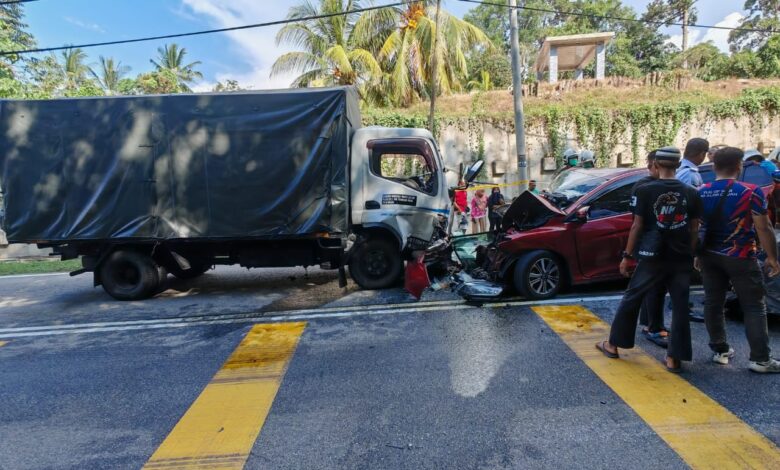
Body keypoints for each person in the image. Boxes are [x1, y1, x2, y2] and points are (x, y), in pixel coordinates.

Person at [596, 147, 702, 372]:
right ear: (677, 165)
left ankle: (613, 344)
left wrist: (627, 255)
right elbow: (694, 228)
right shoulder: (691, 192)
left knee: (632, 297)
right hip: (680, 256)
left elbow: (637, 225)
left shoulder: (645, 190)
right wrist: (692, 254)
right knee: (681, 305)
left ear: (656, 165)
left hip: (652, 255)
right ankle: (674, 358)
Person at [697, 147, 780, 373]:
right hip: (741, 256)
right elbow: (763, 227)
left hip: (709, 256)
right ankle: (760, 359)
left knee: (713, 303)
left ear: (714, 166)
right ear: (738, 166)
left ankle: (720, 350)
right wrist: (772, 257)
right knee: (754, 306)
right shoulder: (751, 191)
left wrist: (697, 255)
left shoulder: (700, 191)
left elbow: (695, 227)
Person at [632, 151, 668, 348]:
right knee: (655, 287)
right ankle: (654, 327)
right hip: (652, 245)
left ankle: (649, 323)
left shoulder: (642, 186)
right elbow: (637, 222)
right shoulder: (646, 187)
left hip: (648, 244)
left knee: (650, 286)